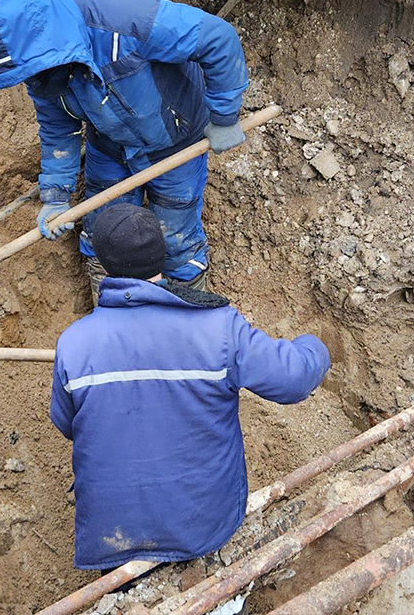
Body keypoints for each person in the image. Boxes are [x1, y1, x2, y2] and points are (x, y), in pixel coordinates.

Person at [49, 203, 331, 575]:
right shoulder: (217, 328)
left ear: (103, 261)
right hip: (202, 521)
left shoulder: (74, 344)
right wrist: (315, 346)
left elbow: (67, 424)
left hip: (117, 531)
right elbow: (294, 380)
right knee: (212, 591)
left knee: (128, 598)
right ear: (162, 255)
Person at [0, 0, 249, 295]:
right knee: (103, 232)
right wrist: (56, 196)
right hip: (110, 143)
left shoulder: (126, 18)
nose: (32, 79)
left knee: (175, 236)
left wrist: (225, 116)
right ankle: (112, 317)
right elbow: (58, 126)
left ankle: (189, 313)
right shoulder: (37, 67)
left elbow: (218, 38)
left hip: (177, 140)